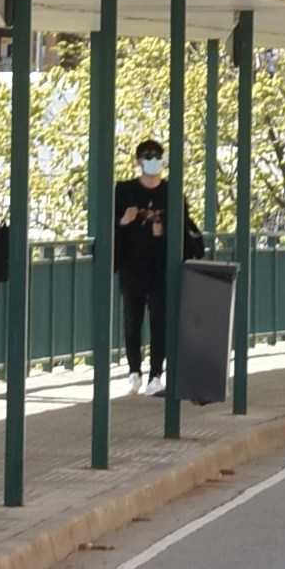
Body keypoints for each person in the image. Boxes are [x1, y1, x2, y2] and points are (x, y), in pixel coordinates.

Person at [114, 138, 177, 386]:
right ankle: (134, 371)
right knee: (132, 319)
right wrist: (125, 221)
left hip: (161, 266)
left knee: (159, 320)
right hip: (132, 265)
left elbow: (182, 228)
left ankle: (156, 374)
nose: (152, 161)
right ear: (139, 162)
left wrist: (163, 232)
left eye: (157, 156)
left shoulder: (171, 192)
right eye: (147, 157)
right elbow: (111, 224)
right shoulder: (124, 190)